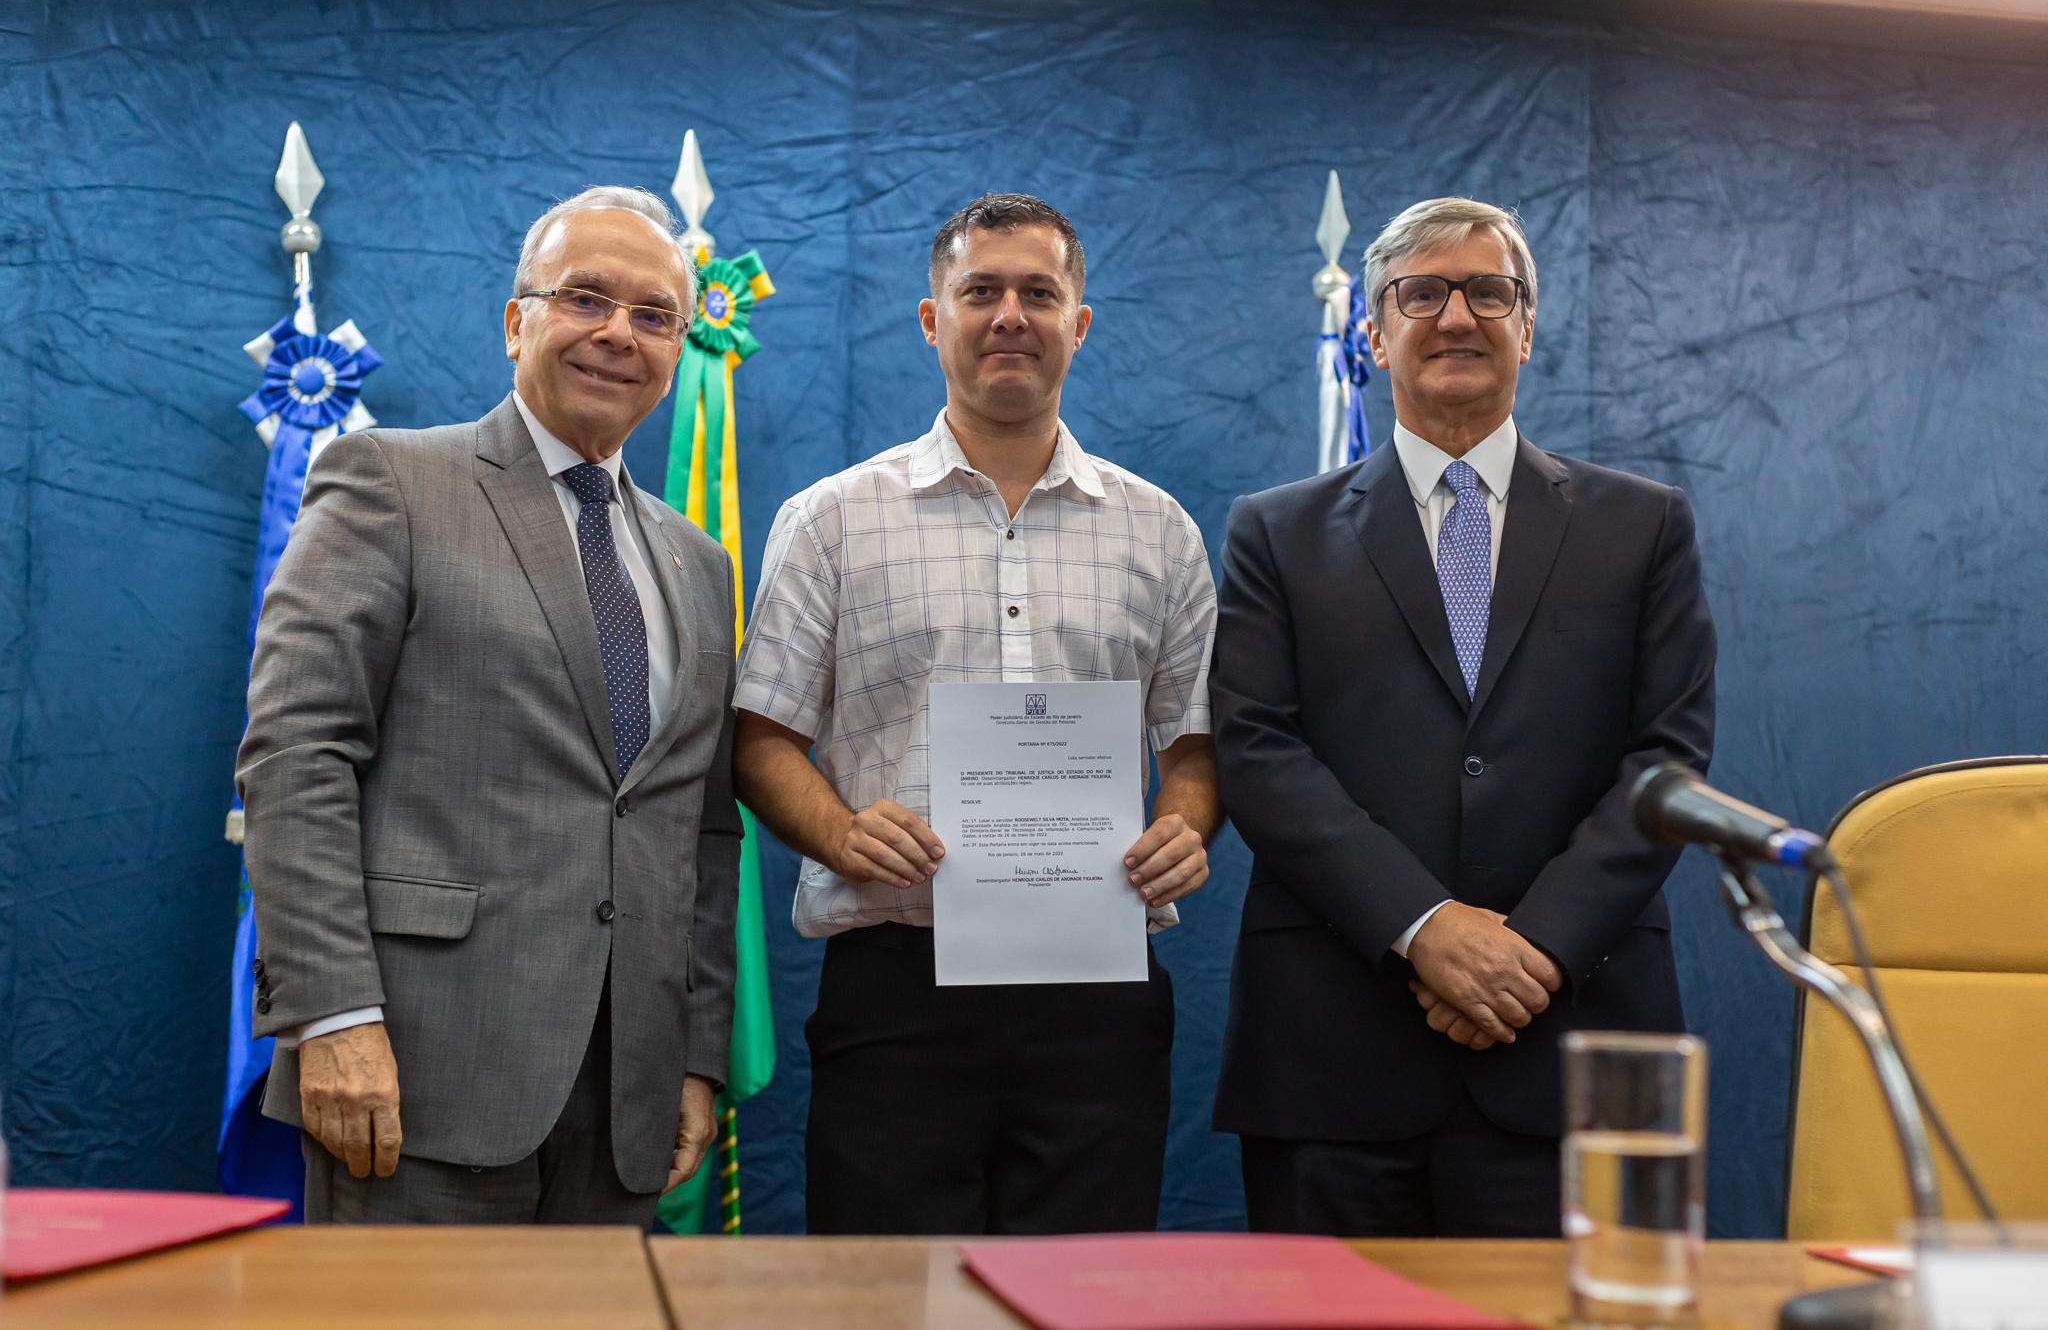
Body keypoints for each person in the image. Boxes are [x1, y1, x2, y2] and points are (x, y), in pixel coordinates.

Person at [1210, 197, 1715, 1236]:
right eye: (1420, 293)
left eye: (1488, 292)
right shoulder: (1275, 534)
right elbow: (1256, 749)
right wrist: (1427, 928)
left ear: (1526, 327)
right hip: (1333, 1058)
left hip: (1569, 1040)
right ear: (1372, 329)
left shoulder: (1641, 527)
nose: (1454, 316)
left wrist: (1526, 951)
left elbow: (1664, 760)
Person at [239, 186, 743, 1223]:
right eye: (585, 299)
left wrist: (694, 1054)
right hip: (415, 1076)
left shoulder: (697, 566)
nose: (618, 334)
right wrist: (331, 1013)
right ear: (517, 321)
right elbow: (296, 756)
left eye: (655, 316)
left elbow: (699, 830)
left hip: (624, 1107)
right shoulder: (389, 482)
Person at [732, 193, 1221, 1235]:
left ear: (1077, 323)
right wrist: (841, 831)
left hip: (1097, 996)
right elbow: (762, 738)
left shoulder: (1161, 531)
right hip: (896, 991)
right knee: (882, 1302)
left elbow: (1193, 743)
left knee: (1085, 1304)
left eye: (1037, 293)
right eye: (980, 291)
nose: (1009, 314)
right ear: (930, 318)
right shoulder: (829, 520)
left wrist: (1185, 826)